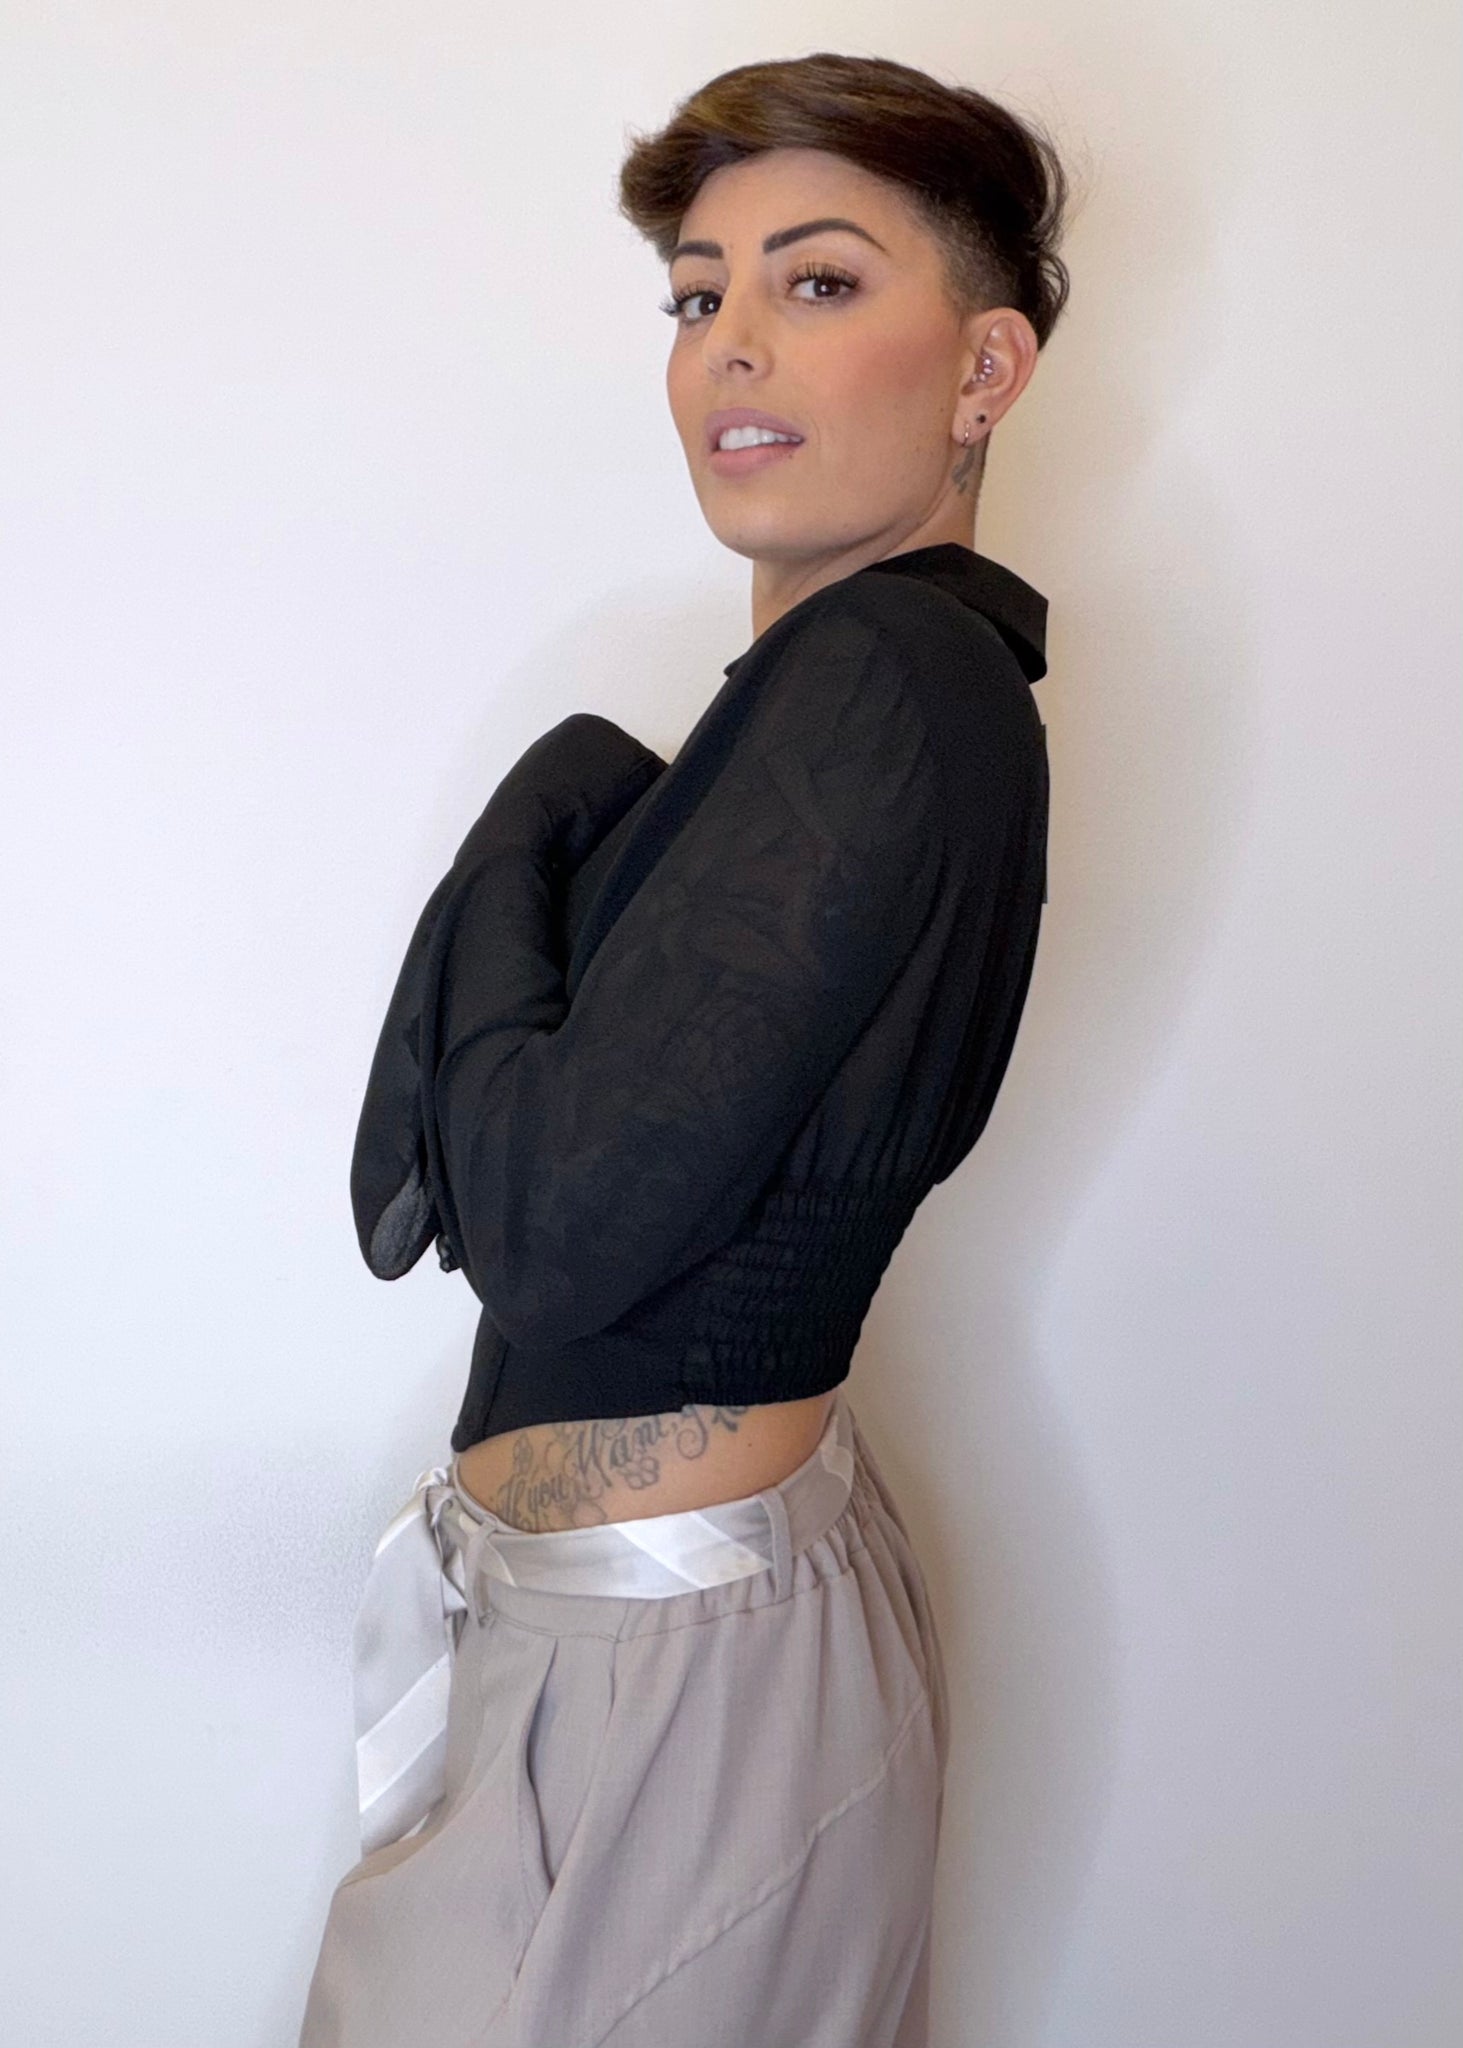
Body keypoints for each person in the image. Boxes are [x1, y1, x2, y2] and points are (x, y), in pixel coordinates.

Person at [298, 49, 1070, 2048]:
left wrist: (542, 801)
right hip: (670, 1647)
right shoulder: (853, 692)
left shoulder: (883, 676)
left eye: (819, 282)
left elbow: (553, 1228)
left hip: (668, 1675)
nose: (732, 343)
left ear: (984, 368)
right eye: (698, 293)